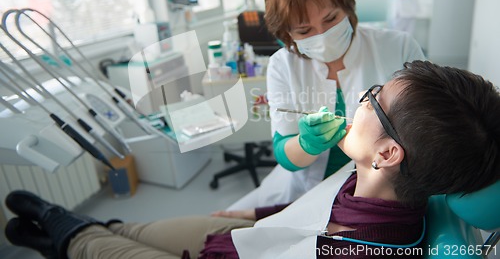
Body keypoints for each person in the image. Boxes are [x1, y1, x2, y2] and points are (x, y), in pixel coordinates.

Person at [5, 61, 500, 259]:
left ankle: (64, 230)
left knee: (95, 246)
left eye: (374, 99)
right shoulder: (378, 182)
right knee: (135, 230)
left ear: (389, 152)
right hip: (257, 232)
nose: (362, 100)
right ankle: (75, 232)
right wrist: (248, 214)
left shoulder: (361, 246)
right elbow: (306, 216)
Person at [227, 0, 425, 210]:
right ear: (286, 35)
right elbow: (284, 152)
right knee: (225, 226)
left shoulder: (399, 47)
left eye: (331, 19)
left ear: (347, 6)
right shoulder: (282, 65)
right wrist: (305, 144)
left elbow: (427, 126)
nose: (323, 35)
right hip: (304, 192)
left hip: (383, 193)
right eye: (304, 31)